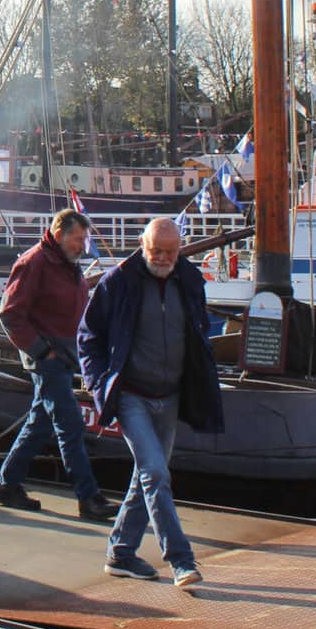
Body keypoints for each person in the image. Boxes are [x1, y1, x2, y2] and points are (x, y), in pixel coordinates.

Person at [79, 217, 223, 589]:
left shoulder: (189, 280)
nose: (161, 257)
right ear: (142, 245)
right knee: (156, 474)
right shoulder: (120, 281)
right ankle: (180, 560)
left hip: (170, 395)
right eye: (155, 250)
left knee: (146, 476)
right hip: (132, 395)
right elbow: (88, 336)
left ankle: (121, 552)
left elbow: (198, 330)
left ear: (180, 248)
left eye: (169, 251)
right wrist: (98, 385)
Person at [0, 209, 114, 523]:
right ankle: (89, 497)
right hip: (48, 360)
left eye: (83, 239)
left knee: (39, 425)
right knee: (71, 426)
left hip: (61, 357)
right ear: (59, 234)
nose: (82, 245)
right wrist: (41, 351)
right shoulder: (35, 263)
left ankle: (7, 484)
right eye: (77, 239)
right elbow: (10, 314)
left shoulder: (65, 265)